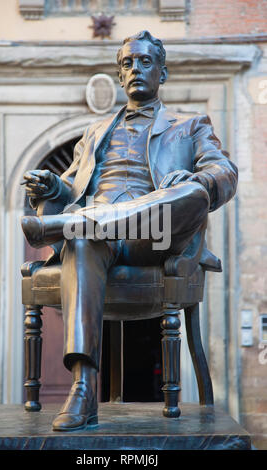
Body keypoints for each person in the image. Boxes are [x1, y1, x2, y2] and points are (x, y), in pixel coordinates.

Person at [21, 31, 238, 432]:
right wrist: (52, 189)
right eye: (127, 63)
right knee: (84, 237)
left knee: (189, 193)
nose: (135, 68)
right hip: (99, 233)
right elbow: (71, 187)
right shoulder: (94, 132)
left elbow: (224, 174)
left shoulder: (190, 126)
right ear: (120, 77)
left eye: (144, 61)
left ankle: (69, 226)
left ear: (163, 71)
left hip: (155, 236)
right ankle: (84, 388)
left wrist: (192, 179)